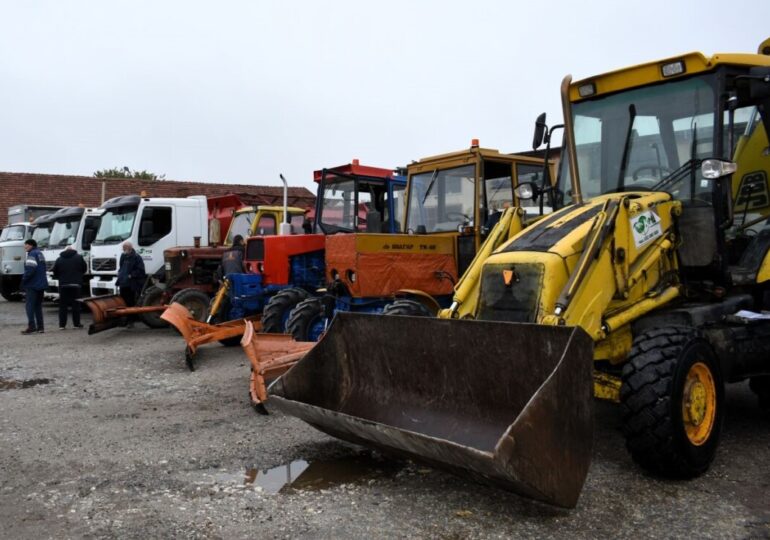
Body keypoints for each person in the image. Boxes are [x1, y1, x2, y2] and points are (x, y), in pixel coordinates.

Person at [52, 245, 87, 329]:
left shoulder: (59, 259)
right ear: (73, 250)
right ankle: (76, 324)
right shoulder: (79, 258)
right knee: (76, 305)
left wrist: (61, 279)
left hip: (63, 285)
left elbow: (55, 272)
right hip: (76, 285)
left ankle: (62, 325)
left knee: (63, 306)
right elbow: (84, 269)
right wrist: (78, 276)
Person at [20, 239, 48, 334]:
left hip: (32, 284)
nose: (25, 247)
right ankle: (41, 328)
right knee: (38, 306)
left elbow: (30, 270)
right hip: (41, 284)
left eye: (26, 245)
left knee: (29, 306)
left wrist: (23, 280)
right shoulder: (40, 254)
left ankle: (31, 327)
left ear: (31, 245)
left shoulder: (32, 254)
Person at [117, 241, 146, 327]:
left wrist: (131, 275)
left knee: (131, 302)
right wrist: (120, 274)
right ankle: (125, 320)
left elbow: (141, 271)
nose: (123, 251)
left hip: (132, 284)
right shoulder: (123, 256)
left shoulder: (137, 257)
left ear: (129, 249)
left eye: (124, 249)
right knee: (123, 302)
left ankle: (131, 321)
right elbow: (121, 267)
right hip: (123, 283)